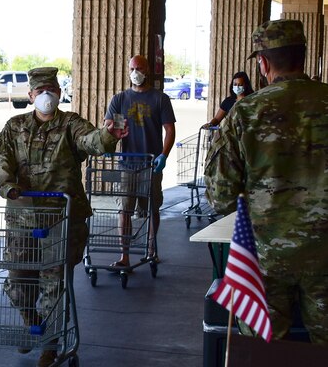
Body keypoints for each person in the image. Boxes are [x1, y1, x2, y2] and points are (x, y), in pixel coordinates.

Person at [0, 66, 128, 367]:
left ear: (59, 93)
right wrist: (9, 187)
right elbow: (0, 162)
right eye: (40, 92)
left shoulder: (70, 124)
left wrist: (108, 135)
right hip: (23, 220)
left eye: (50, 91)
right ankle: (34, 325)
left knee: (53, 284)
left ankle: (49, 345)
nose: (45, 96)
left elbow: (92, 141)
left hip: (61, 221)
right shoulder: (15, 126)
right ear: (30, 95)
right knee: (16, 281)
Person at [205, 18, 328, 343]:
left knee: (263, 360)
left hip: (265, 257)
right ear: (304, 55)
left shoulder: (245, 113)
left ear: (262, 63)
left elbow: (221, 197)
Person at [104, 55, 176, 266]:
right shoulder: (120, 100)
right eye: (132, 68)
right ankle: (124, 256)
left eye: (140, 68)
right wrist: (108, 141)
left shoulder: (159, 99)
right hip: (127, 163)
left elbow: (169, 129)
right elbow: (111, 124)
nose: (136, 72)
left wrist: (163, 155)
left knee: (152, 208)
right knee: (124, 209)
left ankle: (151, 249)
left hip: (151, 164)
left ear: (147, 70)